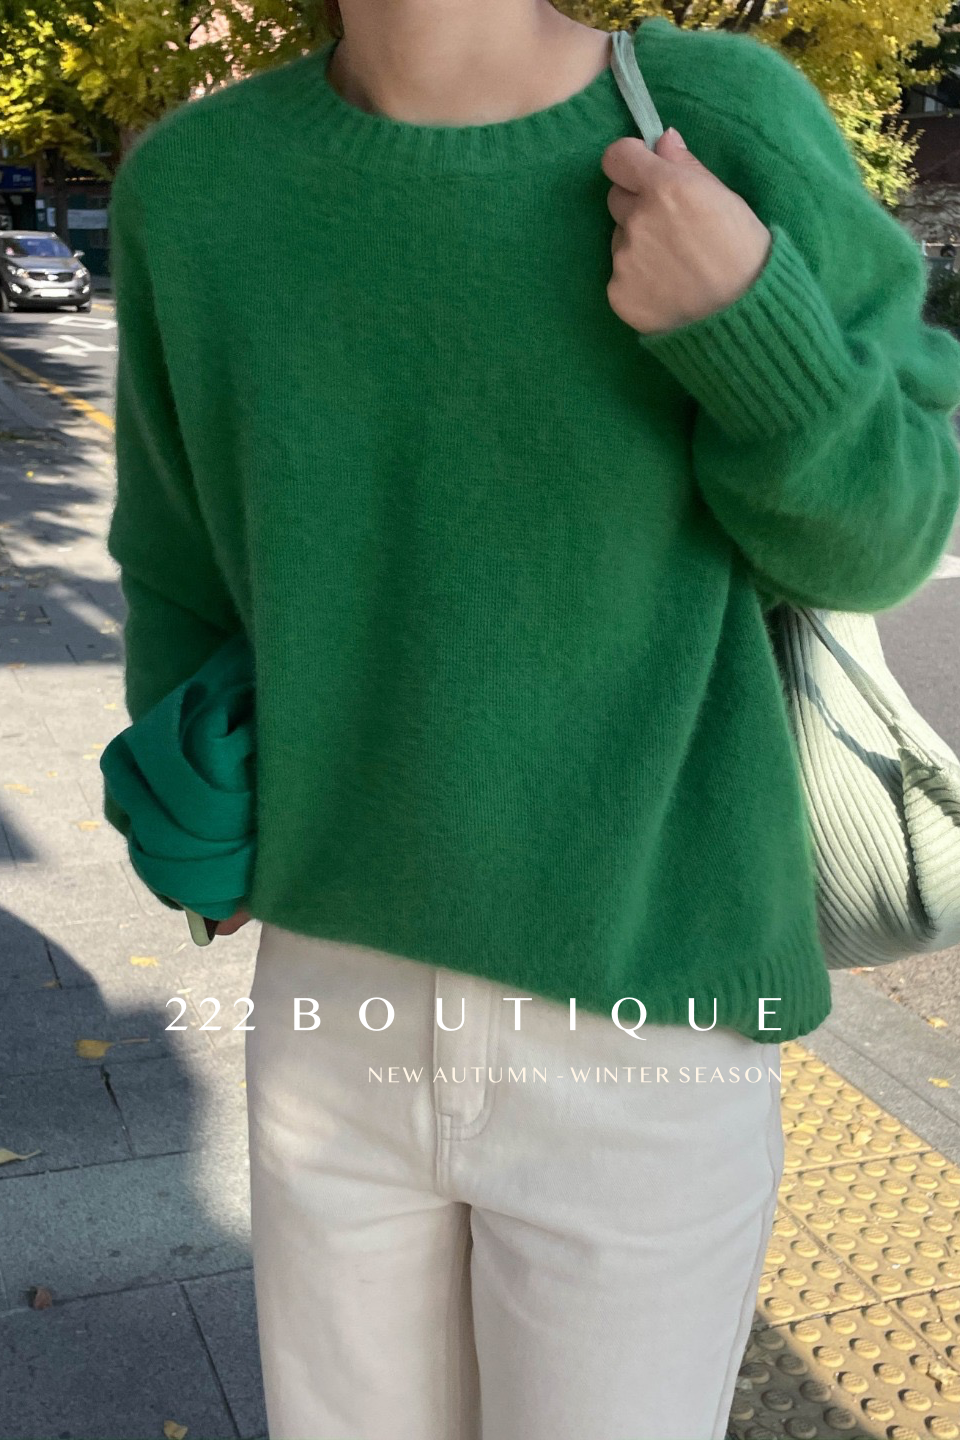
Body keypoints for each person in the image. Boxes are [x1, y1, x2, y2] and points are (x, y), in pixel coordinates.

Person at [103, 0, 960, 1436]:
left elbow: (884, 543)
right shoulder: (195, 185)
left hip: (653, 1002)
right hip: (332, 998)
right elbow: (178, 565)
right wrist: (186, 803)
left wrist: (747, 321)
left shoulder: (716, 119)